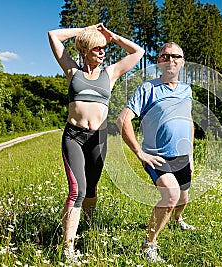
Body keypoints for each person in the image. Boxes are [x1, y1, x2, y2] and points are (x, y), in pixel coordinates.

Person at [48, 23, 144, 260]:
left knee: (90, 190)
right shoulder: (72, 71)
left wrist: (113, 36)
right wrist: (86, 29)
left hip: (98, 138)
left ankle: (85, 229)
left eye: (104, 48)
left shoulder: (109, 74)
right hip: (74, 136)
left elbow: (138, 52)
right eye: (97, 49)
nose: (102, 52)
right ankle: (68, 248)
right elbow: (54, 35)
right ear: (84, 50)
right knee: (76, 191)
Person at [116, 42, 195, 263]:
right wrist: (140, 152)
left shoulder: (186, 90)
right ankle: (149, 244)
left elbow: (188, 122)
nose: (171, 60)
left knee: (183, 197)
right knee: (171, 196)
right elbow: (122, 120)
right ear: (159, 62)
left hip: (181, 155)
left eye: (176, 56)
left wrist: (190, 154)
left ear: (182, 62)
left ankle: (178, 220)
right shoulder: (147, 88)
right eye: (165, 56)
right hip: (157, 155)